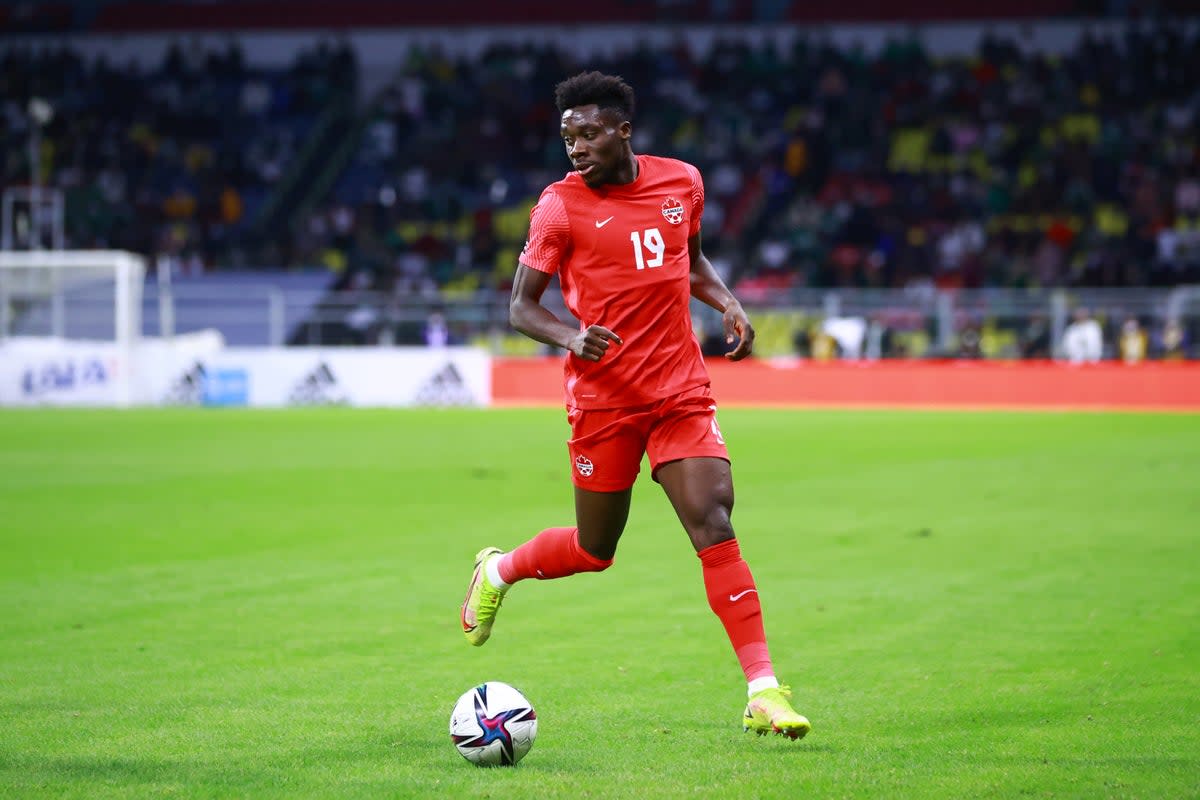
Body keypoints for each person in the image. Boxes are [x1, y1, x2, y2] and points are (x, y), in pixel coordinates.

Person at [459, 71, 810, 740]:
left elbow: (691, 260)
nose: (576, 146)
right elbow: (520, 307)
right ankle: (498, 569)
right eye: (568, 136)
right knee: (596, 548)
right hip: (605, 401)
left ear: (623, 130)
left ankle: (763, 689)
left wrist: (727, 301)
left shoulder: (682, 182)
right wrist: (571, 335)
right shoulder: (557, 208)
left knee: (713, 517)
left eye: (588, 133)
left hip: (679, 389)